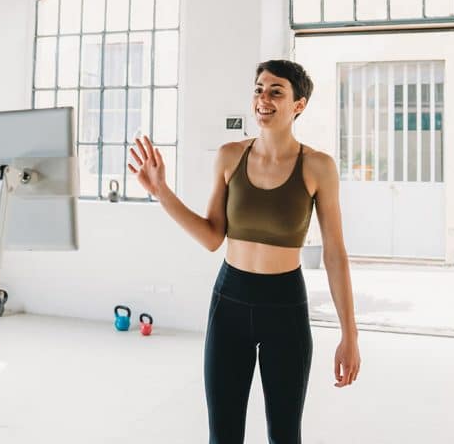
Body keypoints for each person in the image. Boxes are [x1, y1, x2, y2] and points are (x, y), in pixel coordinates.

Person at [129, 59, 360, 444]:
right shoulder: (230, 156)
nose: (263, 99)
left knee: (285, 434)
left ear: (298, 105)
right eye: (258, 89)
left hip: (285, 306)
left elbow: (335, 254)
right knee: (223, 435)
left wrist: (349, 334)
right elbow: (211, 236)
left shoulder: (318, 167)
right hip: (230, 301)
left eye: (275, 91)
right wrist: (161, 192)